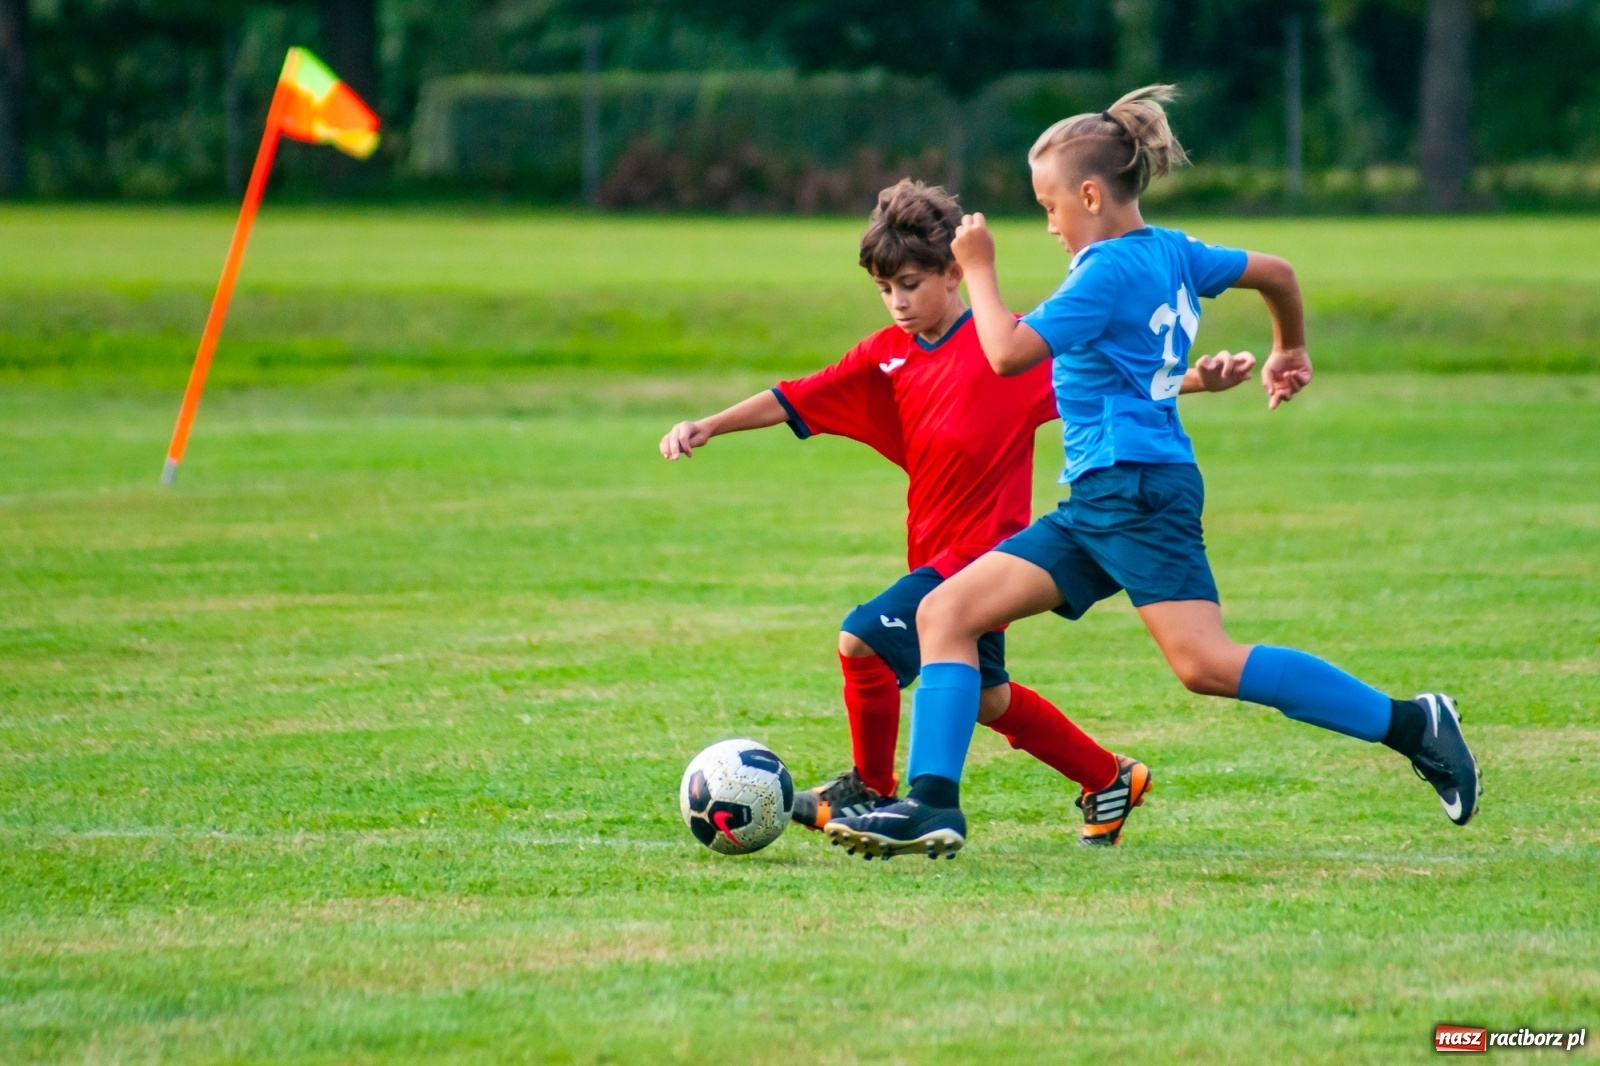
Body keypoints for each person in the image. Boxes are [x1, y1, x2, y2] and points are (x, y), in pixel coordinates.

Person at [824, 86, 1482, 860]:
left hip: (1136, 492)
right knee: (946, 614)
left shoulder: (1101, 275)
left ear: (1090, 196)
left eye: (1050, 207)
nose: (1049, 224)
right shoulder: (1173, 251)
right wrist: (1289, 347)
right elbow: (1276, 272)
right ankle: (932, 805)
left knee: (1206, 664)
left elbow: (1004, 354)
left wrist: (980, 271)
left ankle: (1413, 723)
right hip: (1102, 497)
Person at [660, 178, 1254, 848]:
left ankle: (871, 788)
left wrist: (1200, 379)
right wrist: (709, 424)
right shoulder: (885, 356)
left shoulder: (1007, 349)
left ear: (953, 272)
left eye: (911, 284)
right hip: (935, 554)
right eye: (885, 289)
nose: (898, 302)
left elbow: (1115, 377)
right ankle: (1108, 776)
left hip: (986, 561)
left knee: (860, 639)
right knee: (988, 698)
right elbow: (795, 395)